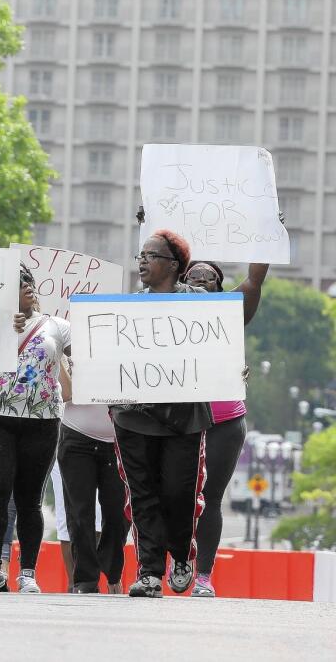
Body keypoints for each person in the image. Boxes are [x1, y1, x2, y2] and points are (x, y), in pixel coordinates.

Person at [111, 230, 212, 598]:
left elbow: (227, 334)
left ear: (173, 264)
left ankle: (181, 555)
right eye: (140, 255)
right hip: (133, 417)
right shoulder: (127, 306)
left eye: (150, 255)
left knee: (179, 491)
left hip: (183, 418)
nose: (141, 261)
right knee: (143, 494)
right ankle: (150, 571)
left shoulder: (200, 303)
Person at [0, 265, 71, 594]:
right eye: (15, 284)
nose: (25, 287)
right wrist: (1, 331)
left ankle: (27, 572)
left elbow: (93, 355)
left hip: (42, 422)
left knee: (30, 499)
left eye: (28, 281)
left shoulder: (57, 326)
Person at [183, 258, 269, 597]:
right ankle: (168, 564)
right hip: (176, 422)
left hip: (224, 420)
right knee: (173, 495)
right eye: (193, 274)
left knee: (210, 498)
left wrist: (264, 239)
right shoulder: (157, 309)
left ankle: (203, 576)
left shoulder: (231, 311)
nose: (201, 278)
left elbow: (254, 279)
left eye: (209, 276)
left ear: (219, 285)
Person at [56, 360, 127, 594]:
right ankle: (86, 579)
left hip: (120, 438)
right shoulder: (65, 326)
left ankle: (112, 568)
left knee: (119, 513)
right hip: (77, 433)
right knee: (79, 512)